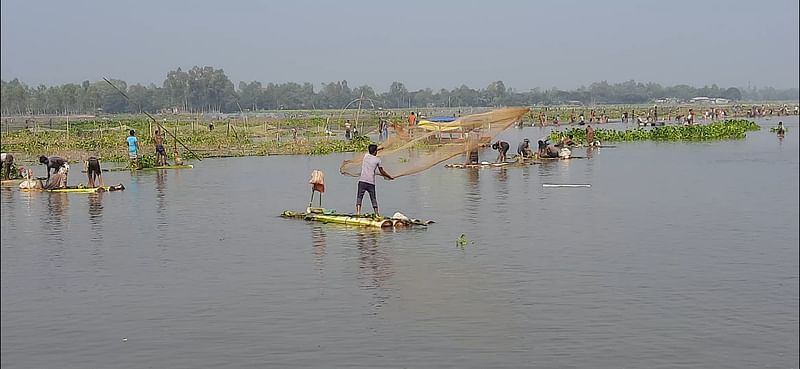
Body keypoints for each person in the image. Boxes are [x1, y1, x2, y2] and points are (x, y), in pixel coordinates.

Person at [356, 144, 393, 216]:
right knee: (373, 198)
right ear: (375, 151)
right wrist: (389, 176)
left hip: (362, 181)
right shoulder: (378, 160)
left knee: (359, 197)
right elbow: (382, 171)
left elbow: (370, 151)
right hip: (371, 183)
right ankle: (376, 214)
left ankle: (358, 213)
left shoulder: (365, 156)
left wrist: (378, 149)